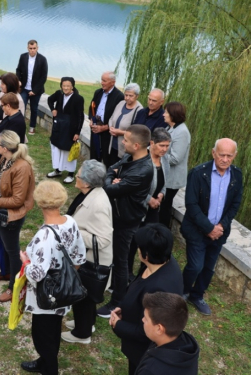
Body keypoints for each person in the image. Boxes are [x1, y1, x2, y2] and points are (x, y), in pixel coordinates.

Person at [19, 180, 86, 375]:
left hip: (46, 296)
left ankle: (49, 369)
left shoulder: (44, 237)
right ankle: (43, 362)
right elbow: (79, 256)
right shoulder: (70, 221)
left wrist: (26, 262)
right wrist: (67, 277)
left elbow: (37, 274)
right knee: (53, 331)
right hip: (64, 290)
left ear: (40, 203)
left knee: (42, 336)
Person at [109, 224, 184, 375]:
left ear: (146, 255)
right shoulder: (159, 262)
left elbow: (149, 331)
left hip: (143, 350)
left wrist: (118, 325)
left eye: (139, 247)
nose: (137, 249)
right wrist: (124, 308)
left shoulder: (159, 289)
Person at [181, 138, 243, 315]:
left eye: (229, 156)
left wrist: (221, 226)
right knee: (195, 266)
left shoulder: (237, 175)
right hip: (197, 230)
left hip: (220, 232)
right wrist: (209, 228)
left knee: (209, 267)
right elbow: (191, 204)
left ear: (234, 156)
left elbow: (235, 204)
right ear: (213, 153)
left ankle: (197, 295)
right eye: (221, 155)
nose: (225, 159)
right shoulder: (199, 173)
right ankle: (183, 291)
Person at [97, 125, 153, 318]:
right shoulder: (130, 157)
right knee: (115, 258)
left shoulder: (143, 170)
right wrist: (114, 178)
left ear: (136, 145)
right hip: (118, 215)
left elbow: (109, 189)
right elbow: (112, 169)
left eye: (126, 140)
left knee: (121, 261)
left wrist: (115, 182)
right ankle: (114, 287)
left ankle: (117, 302)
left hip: (126, 220)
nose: (123, 142)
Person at [61, 160, 113, 344]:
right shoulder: (90, 193)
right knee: (87, 297)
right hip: (85, 258)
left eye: (79, 174)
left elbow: (104, 239)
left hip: (91, 261)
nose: (76, 176)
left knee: (83, 296)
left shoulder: (97, 204)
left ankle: (82, 335)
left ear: (87, 182)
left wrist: (75, 232)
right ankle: (87, 324)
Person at [0, 130, 35, 302]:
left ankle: (15, 288)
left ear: (5, 148)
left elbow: (18, 200)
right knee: (1, 244)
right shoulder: (4, 158)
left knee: (12, 251)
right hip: (1, 211)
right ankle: (5, 273)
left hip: (12, 215)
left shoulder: (21, 167)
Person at [128, 128, 171, 281]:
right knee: (133, 241)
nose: (165, 149)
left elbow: (165, 182)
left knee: (150, 241)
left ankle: (144, 271)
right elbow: (133, 185)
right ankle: (127, 272)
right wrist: (148, 199)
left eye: (167, 146)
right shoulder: (141, 159)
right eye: (162, 145)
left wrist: (161, 195)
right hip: (138, 207)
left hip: (154, 209)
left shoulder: (165, 160)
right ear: (152, 143)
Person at [136, 292, 200, 375]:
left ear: (159, 329)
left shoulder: (150, 370)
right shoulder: (187, 346)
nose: (143, 320)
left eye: (146, 318)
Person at [158, 102, 191, 228]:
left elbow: (176, 158)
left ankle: (163, 234)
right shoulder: (171, 128)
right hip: (166, 176)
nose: (163, 114)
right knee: (162, 207)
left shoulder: (182, 132)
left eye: (166, 112)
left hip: (172, 178)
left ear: (173, 114)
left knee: (165, 208)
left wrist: (156, 155)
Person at [46, 77, 84, 183]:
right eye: (64, 85)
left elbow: (81, 116)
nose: (66, 88)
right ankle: (57, 170)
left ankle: (71, 174)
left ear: (72, 86)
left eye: (68, 86)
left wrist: (77, 132)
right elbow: (49, 100)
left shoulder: (78, 98)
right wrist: (53, 109)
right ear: (61, 86)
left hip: (70, 128)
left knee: (68, 150)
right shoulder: (59, 94)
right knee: (57, 148)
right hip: (58, 127)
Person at [0, 93, 26, 175]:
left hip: (8, 157)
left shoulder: (17, 122)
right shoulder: (11, 117)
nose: (2, 108)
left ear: (9, 106)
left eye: (3, 106)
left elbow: (7, 142)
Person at [88, 72, 125, 167]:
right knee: (94, 155)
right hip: (95, 128)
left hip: (108, 133)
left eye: (104, 81)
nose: (102, 83)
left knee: (106, 158)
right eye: (101, 80)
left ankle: (105, 179)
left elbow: (118, 117)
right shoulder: (98, 92)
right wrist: (91, 120)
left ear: (113, 82)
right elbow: (91, 107)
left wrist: (105, 127)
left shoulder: (119, 96)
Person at [16, 40, 48, 135]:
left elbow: (43, 77)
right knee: (21, 107)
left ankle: (32, 127)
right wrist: (18, 80)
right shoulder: (23, 57)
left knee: (34, 109)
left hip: (36, 90)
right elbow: (18, 70)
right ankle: (20, 126)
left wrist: (35, 90)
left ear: (37, 48)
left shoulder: (42, 59)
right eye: (30, 48)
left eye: (34, 48)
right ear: (27, 48)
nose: (32, 50)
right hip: (24, 88)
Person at [107, 83, 144, 166]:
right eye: (126, 95)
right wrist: (110, 128)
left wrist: (120, 132)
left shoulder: (139, 110)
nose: (127, 98)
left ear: (137, 96)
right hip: (112, 144)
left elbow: (136, 132)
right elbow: (112, 118)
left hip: (125, 148)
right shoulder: (121, 103)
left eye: (131, 96)